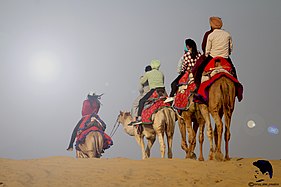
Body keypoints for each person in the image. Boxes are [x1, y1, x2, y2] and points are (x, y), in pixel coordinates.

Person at [194, 16, 238, 89]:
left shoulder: (211, 35)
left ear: (211, 25)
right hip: (225, 57)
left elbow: (207, 51)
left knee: (199, 70)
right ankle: (236, 89)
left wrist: (208, 54)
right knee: (233, 70)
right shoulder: (227, 34)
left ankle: (198, 90)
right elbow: (230, 48)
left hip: (212, 57)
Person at [165, 38, 202, 103]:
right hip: (197, 72)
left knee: (174, 84)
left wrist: (182, 71)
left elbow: (184, 66)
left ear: (187, 46)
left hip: (189, 71)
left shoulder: (187, 54)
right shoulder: (199, 53)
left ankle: (171, 97)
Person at [132, 59, 166, 124]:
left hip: (152, 91)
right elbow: (162, 82)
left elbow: (141, 86)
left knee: (140, 101)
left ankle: (138, 118)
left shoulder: (148, 74)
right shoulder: (161, 73)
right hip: (162, 90)